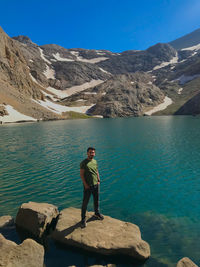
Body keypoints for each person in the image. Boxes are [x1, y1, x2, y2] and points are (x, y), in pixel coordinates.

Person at [80, 147, 104, 228]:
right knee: (85, 203)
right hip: (88, 186)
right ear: (87, 153)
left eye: (93, 152)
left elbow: (96, 170)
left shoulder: (95, 161)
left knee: (96, 200)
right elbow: (82, 175)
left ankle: (96, 213)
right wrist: (85, 184)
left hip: (96, 185)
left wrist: (98, 179)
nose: (92, 154)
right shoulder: (84, 163)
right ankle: (83, 219)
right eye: (90, 152)